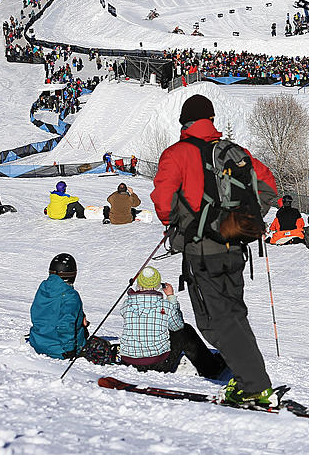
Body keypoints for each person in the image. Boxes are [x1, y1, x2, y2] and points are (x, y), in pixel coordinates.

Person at [151, 94, 279, 407]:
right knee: (234, 314)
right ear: (210, 119)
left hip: (202, 251)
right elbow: (269, 187)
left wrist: (180, 224)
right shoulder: (235, 153)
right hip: (235, 249)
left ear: (185, 121)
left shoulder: (177, 153)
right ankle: (247, 377)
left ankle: (255, 386)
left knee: (214, 322)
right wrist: (238, 221)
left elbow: (162, 201)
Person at [119, 266, 225, 378]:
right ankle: (212, 369)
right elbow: (177, 326)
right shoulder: (165, 306)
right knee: (185, 330)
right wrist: (170, 297)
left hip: (129, 362)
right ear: (159, 285)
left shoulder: (127, 304)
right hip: (157, 364)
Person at [29, 254, 87, 359]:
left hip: (37, 343)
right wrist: (69, 350)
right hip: (58, 349)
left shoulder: (43, 288)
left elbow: (37, 314)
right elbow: (66, 324)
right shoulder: (70, 295)